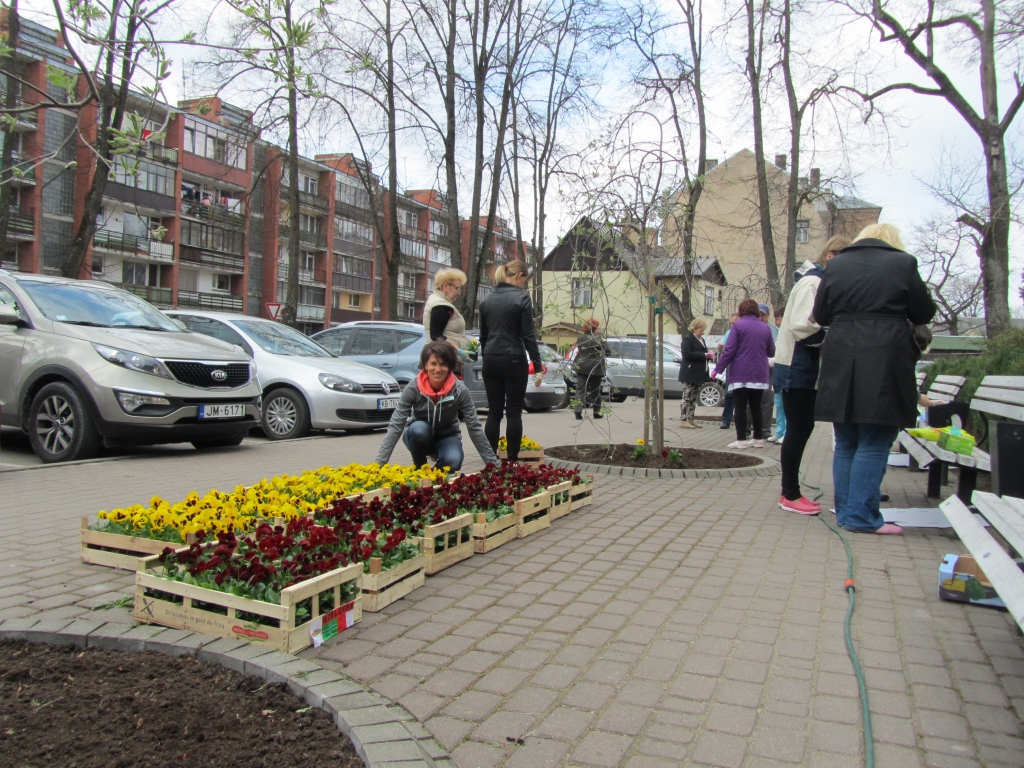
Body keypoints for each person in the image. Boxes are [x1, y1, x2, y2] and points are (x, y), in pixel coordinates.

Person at [813, 223, 935, 535]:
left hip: (841, 352)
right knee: (876, 437)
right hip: (884, 353)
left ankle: (845, 513)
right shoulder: (903, 263)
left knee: (847, 441)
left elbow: (822, 315)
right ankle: (862, 517)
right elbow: (923, 312)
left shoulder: (836, 264)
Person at [772, 235, 850, 515]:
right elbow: (801, 326)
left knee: (801, 429)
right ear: (831, 256)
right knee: (798, 429)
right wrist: (834, 336)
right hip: (797, 367)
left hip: (801, 367)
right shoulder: (813, 282)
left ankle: (791, 492)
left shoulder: (817, 281)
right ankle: (789, 494)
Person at [375, 341, 498, 470]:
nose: (438, 369)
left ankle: (435, 475)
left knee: (453, 460)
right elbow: (396, 425)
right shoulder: (413, 388)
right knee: (419, 430)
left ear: (450, 367)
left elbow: (475, 428)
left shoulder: (460, 390)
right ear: (425, 365)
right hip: (419, 436)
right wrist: (378, 465)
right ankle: (420, 467)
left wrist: (494, 465)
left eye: (443, 364)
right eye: (433, 364)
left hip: (447, 438)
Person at [478, 259, 546, 461]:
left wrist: (487, 355)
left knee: (494, 412)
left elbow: (483, 336)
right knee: (514, 412)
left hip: (491, 359)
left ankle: (490, 461)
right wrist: (537, 364)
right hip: (514, 359)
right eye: (524, 280)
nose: (524, 284)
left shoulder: (487, 299)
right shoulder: (522, 297)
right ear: (518, 276)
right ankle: (512, 461)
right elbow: (528, 335)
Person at [712, 299, 775, 448]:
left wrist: (717, 369)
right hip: (760, 373)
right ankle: (758, 438)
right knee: (756, 406)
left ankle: (741, 440)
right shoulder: (766, 328)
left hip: (741, 373)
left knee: (740, 406)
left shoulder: (738, 326)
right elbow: (771, 351)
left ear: (741, 311)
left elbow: (729, 350)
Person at [424, 268, 470, 355]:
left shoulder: (436, 300)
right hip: (444, 358)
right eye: (457, 288)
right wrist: (459, 351)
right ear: (446, 286)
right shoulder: (441, 305)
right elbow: (436, 335)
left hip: (441, 356)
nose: (458, 293)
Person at [679, 317, 713, 429]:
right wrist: (704, 355)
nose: (702, 332)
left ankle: (691, 418)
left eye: (703, 330)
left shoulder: (701, 340)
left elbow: (703, 352)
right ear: (694, 328)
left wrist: (709, 355)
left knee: (694, 397)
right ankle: (683, 419)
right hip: (689, 372)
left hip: (699, 372)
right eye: (700, 330)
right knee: (687, 396)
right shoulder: (688, 339)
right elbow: (687, 354)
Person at [572, 318, 610, 420]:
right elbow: (607, 352)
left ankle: (577, 411)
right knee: (595, 390)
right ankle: (597, 412)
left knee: (580, 389)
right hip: (595, 367)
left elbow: (580, 350)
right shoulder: (599, 337)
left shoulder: (580, 337)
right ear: (595, 327)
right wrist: (604, 343)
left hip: (581, 366)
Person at [767, 304, 787, 444]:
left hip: (786, 371)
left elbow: (784, 354)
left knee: (786, 405)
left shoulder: (789, 333)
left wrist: (770, 361)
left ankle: (786, 432)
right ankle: (779, 431)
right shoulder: (779, 333)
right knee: (779, 404)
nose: (777, 322)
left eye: (779, 319)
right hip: (778, 372)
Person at [718, 313, 739, 429]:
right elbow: (725, 352)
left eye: (734, 323)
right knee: (729, 394)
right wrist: (721, 349)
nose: (732, 325)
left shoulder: (744, 332)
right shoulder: (729, 333)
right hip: (731, 366)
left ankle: (745, 422)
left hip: (742, 367)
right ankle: (726, 420)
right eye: (731, 323)